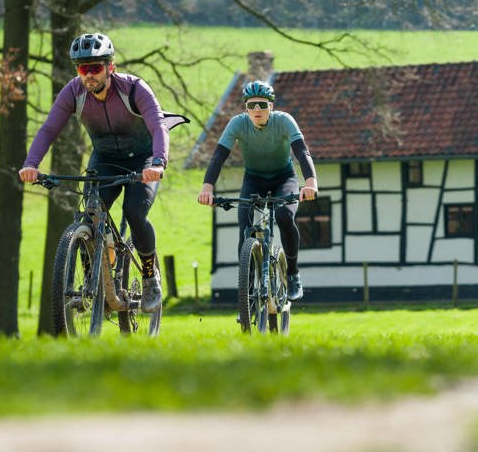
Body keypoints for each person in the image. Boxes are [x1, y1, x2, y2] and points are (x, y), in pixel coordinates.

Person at [19, 32, 188, 313]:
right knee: (89, 216)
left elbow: (158, 125)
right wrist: (31, 164)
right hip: (105, 159)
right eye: (82, 69)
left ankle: (150, 278)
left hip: (143, 160)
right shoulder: (73, 92)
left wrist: (158, 162)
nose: (89, 75)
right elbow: (49, 129)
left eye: (95, 67)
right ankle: (92, 283)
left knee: (135, 213)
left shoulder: (134, 89)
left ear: (111, 67)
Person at [197, 79, 317, 300]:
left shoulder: (284, 121)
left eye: (262, 104)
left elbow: (302, 152)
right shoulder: (237, 124)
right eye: (251, 105)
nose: (257, 110)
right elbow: (218, 157)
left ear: (271, 105)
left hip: (284, 179)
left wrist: (310, 182)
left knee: (284, 216)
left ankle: (293, 274)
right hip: (253, 180)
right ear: (246, 108)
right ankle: (247, 289)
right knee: (245, 225)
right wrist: (207, 188)